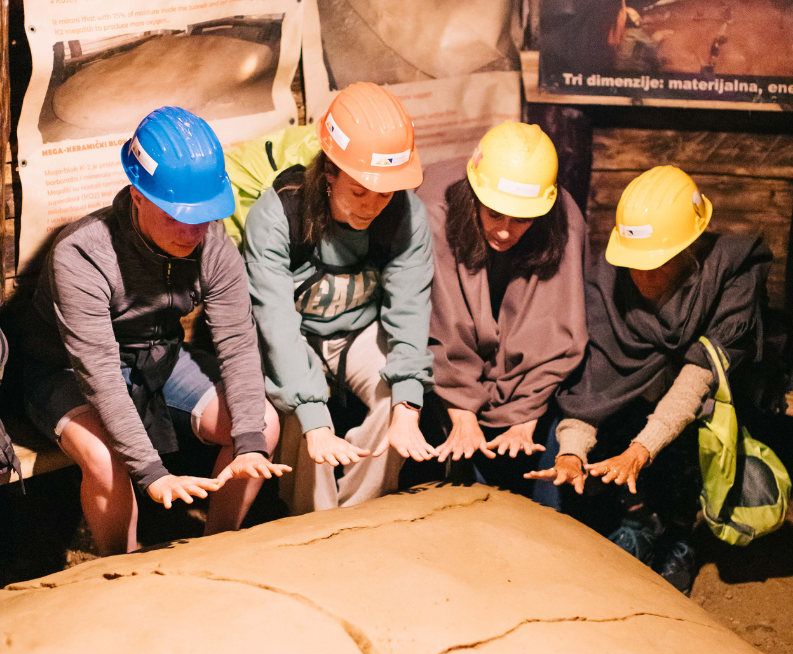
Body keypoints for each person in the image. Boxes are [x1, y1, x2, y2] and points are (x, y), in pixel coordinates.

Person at [21, 107, 288, 556]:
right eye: (175, 215)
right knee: (107, 460)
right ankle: (118, 569)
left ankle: (218, 549)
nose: (191, 231)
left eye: (202, 215)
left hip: (158, 359)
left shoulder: (213, 243)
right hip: (64, 369)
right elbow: (101, 375)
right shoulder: (82, 254)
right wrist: (152, 471)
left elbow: (238, 344)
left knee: (263, 425)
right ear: (138, 195)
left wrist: (249, 444)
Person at [528, 165, 771, 592]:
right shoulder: (608, 283)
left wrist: (642, 449)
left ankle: (680, 535)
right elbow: (594, 388)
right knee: (617, 436)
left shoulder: (730, 273)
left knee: (692, 436)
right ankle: (639, 519)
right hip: (638, 402)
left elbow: (697, 380)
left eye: (656, 264)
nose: (641, 276)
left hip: (710, 399)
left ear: (689, 249)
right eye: (632, 263)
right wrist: (570, 453)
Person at [243, 82, 436, 515]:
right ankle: (312, 522)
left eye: (385, 192)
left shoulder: (405, 214)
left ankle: (363, 515)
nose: (372, 206)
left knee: (396, 400)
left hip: (360, 334)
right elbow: (274, 321)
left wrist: (408, 403)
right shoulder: (278, 215)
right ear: (329, 173)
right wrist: (313, 412)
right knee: (303, 417)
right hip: (296, 335)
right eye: (360, 191)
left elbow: (409, 306)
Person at [412, 121, 588, 503]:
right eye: (494, 214)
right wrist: (461, 413)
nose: (506, 232)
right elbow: (438, 325)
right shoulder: (431, 214)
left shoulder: (564, 221)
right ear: (474, 194)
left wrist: (525, 414)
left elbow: (554, 330)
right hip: (440, 379)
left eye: (521, 219)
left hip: (530, 394)